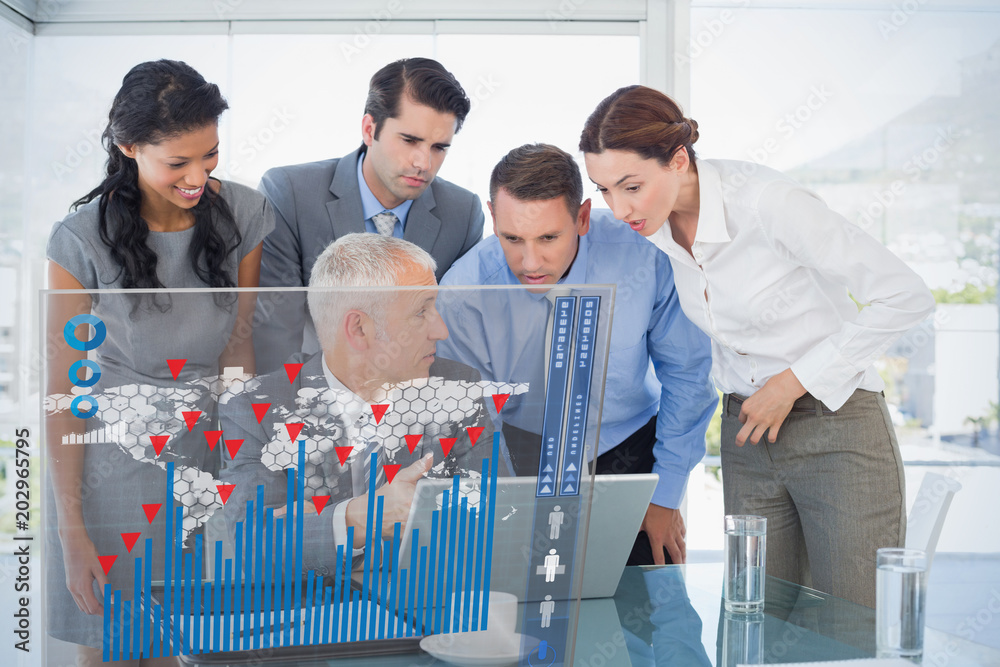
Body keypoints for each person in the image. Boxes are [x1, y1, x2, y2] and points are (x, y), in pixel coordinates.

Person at [580, 85, 936, 606]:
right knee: (756, 620)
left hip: (837, 427)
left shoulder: (767, 203)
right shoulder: (652, 228)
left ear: (678, 160)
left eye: (631, 186)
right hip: (747, 434)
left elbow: (905, 295)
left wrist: (791, 383)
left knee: (851, 624)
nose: (620, 206)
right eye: (605, 189)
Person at [45, 60, 273, 664]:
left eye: (210, 155)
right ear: (128, 147)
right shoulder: (79, 239)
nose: (199, 175)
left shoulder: (245, 214)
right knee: (114, 647)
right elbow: (65, 391)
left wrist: (240, 466)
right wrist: (72, 531)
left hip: (204, 450)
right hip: (110, 463)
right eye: (178, 162)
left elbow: (239, 347)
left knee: (191, 644)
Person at [439, 143, 716, 565]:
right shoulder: (465, 293)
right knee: (525, 602)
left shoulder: (644, 253)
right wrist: (506, 513)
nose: (530, 261)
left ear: (582, 218)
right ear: (493, 217)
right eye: (513, 238)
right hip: (520, 454)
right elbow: (472, 422)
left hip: (630, 450)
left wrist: (666, 492)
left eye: (549, 237)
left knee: (650, 600)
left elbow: (689, 373)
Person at [220, 234, 509, 576]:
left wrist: (318, 525)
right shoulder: (258, 407)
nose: (441, 330)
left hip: (427, 607)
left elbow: (501, 516)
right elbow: (255, 549)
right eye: (421, 312)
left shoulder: (458, 387)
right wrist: (361, 517)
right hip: (314, 618)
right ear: (359, 328)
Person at [254, 57, 485, 373]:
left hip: (413, 401)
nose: (424, 163)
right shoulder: (290, 194)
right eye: (410, 140)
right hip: (315, 395)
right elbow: (275, 335)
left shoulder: (463, 214)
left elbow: (450, 336)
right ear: (369, 129)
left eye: (439, 147)